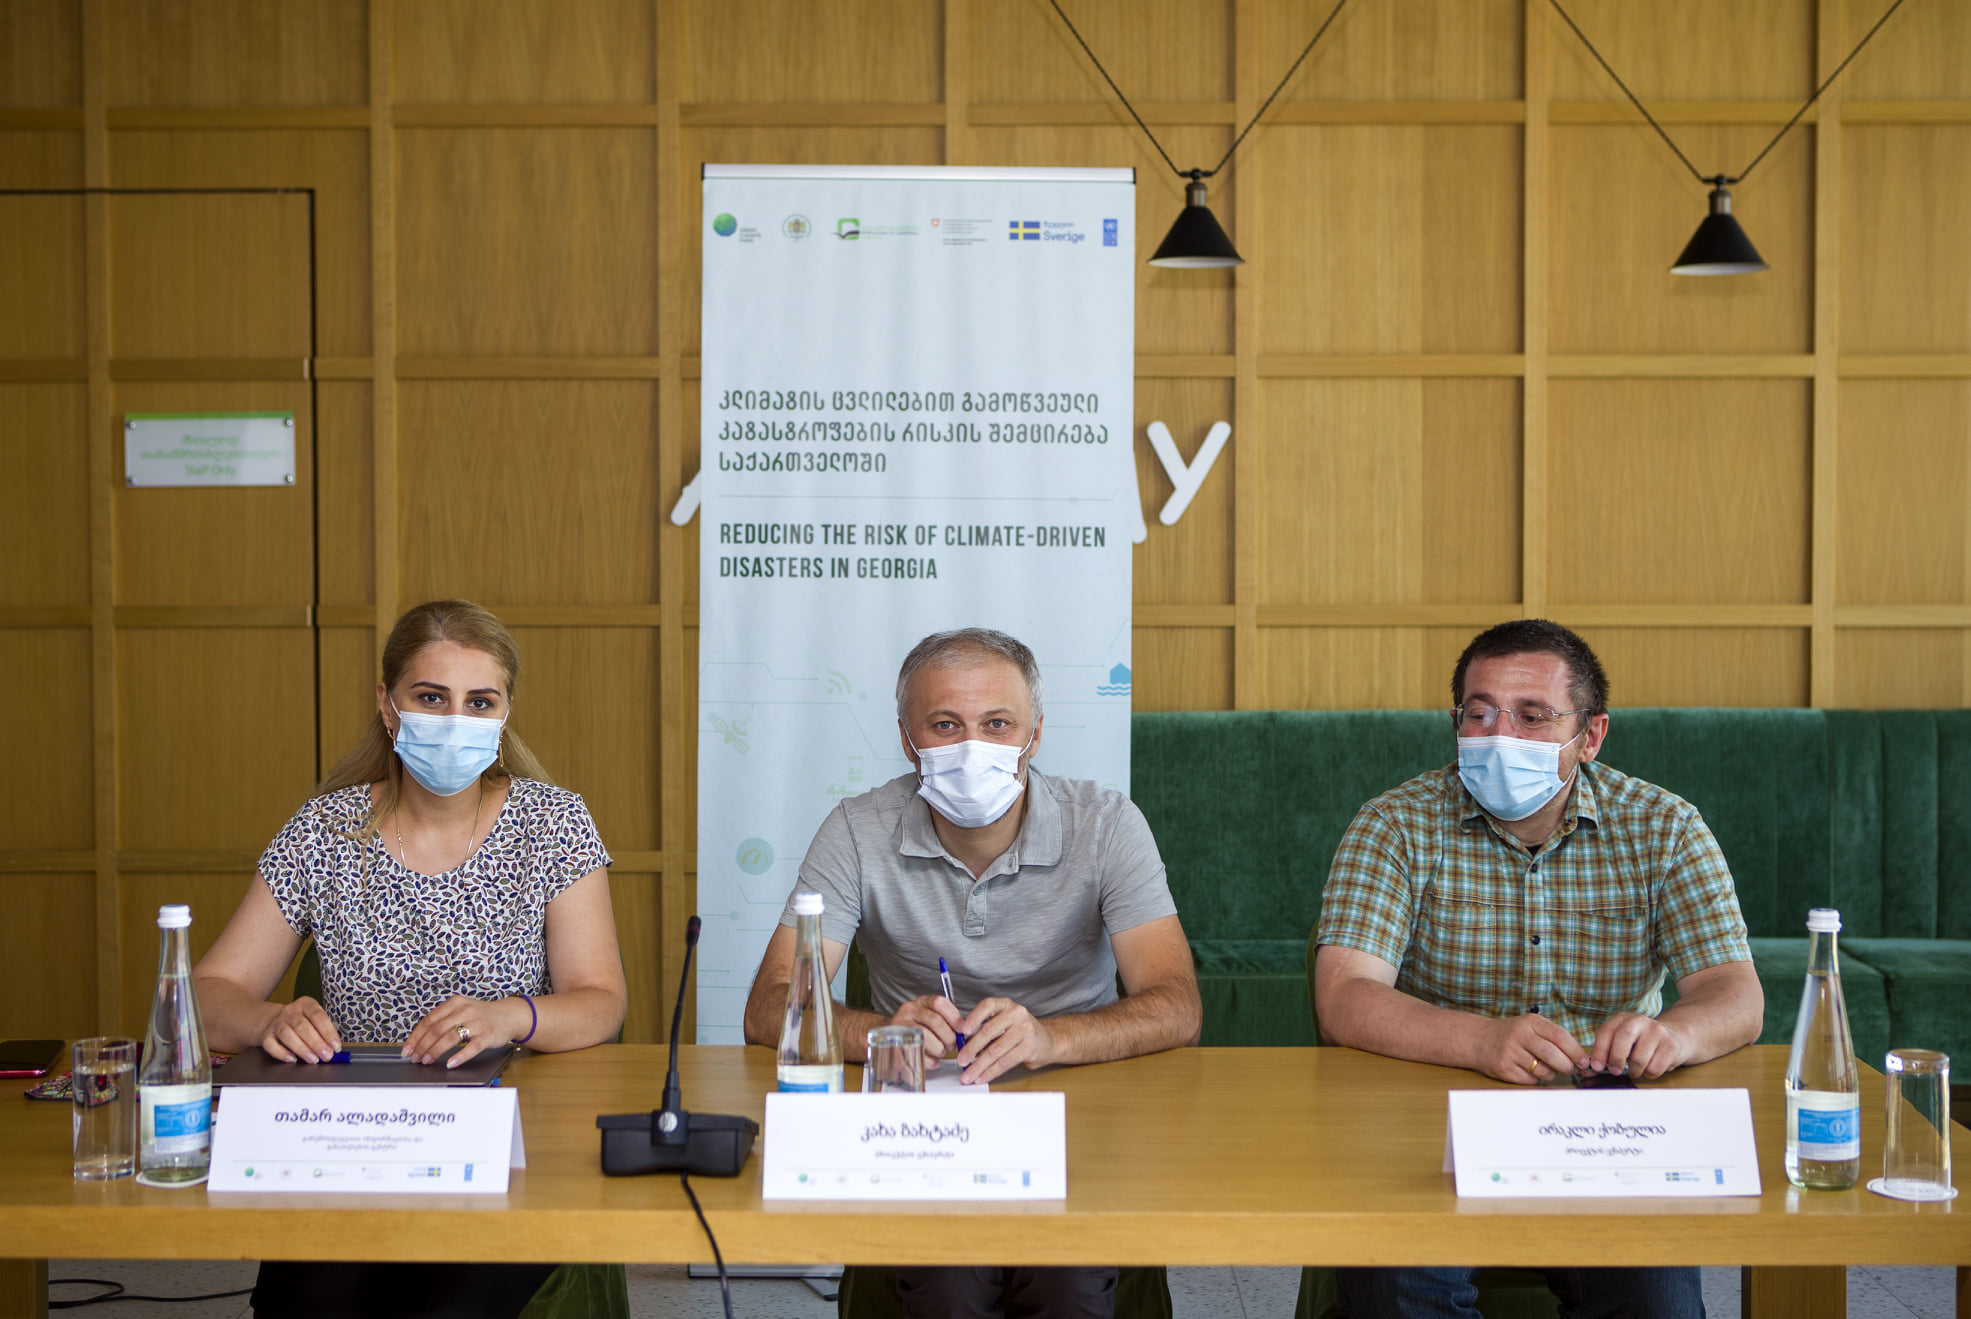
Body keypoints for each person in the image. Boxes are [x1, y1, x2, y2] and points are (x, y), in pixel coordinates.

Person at [742, 627, 1201, 1319]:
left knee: (1069, 1283)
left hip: (1079, 1112)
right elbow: (768, 1007)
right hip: (927, 1124)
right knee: (947, 1281)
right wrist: (886, 1034)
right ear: (907, 739)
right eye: (945, 725)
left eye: (997, 724)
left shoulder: (1107, 824)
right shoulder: (857, 829)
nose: (972, 746)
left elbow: (1176, 1005)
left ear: (1034, 735)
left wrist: (1050, 1037)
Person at [1312, 618, 1763, 1319]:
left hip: (1608, 1126)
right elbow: (1344, 995)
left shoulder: (1664, 826)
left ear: (1590, 735)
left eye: (1531, 715)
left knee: (1655, 1302)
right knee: (1400, 1287)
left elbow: (1733, 992)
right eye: (1479, 713)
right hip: (1432, 1112)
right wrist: (1479, 1040)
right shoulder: (1394, 823)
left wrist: (1673, 1035)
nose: (1499, 735)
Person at [194, 599, 628, 1319]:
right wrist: (269, 1019)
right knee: (310, 1300)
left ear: (505, 713)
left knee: (446, 1302)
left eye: (479, 702)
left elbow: (601, 1001)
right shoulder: (324, 830)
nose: (455, 720)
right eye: (431, 697)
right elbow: (208, 993)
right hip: (345, 1141)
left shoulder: (553, 823)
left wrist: (507, 1018)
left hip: (502, 1141)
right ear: (388, 705)